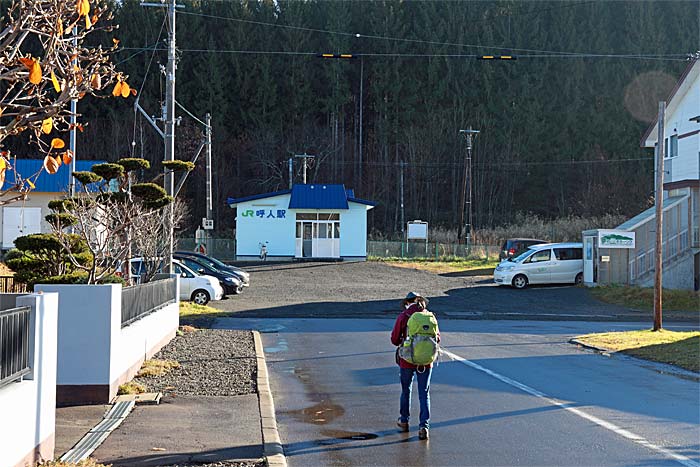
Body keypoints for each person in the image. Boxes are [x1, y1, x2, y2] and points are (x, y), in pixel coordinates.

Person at [391, 291, 440, 440]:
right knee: (424, 393)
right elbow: (437, 339)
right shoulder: (430, 317)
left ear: (407, 302)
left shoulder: (403, 316)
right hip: (426, 361)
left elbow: (394, 340)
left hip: (407, 359)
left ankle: (404, 420)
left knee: (406, 390)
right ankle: (424, 426)